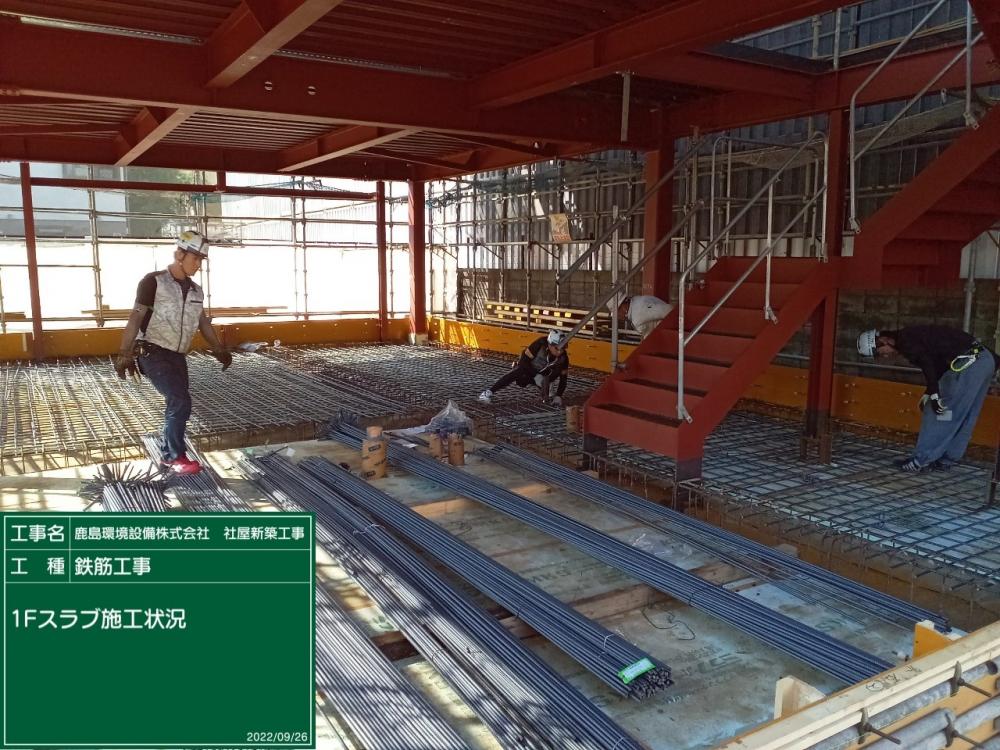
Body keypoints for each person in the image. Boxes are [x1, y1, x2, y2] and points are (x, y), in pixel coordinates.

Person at [115, 231, 233, 475]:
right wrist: (124, 353)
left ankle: (168, 451)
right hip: (152, 351)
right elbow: (136, 317)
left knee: (177, 401)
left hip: (177, 356)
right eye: (194, 258)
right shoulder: (153, 282)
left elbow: (202, 322)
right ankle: (173, 457)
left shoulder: (196, 291)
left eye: (201, 260)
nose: (198, 264)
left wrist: (218, 348)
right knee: (179, 400)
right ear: (179, 254)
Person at [858, 326, 999, 472]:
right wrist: (930, 391)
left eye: (879, 353)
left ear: (883, 340)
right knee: (964, 413)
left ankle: (921, 460)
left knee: (940, 412)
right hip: (984, 361)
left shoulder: (906, 341)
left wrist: (934, 395)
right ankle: (946, 459)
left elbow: (927, 364)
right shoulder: (912, 337)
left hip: (972, 364)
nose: (884, 357)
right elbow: (940, 366)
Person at [479, 329, 570, 406]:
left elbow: (563, 379)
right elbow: (523, 361)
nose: (560, 352)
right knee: (519, 371)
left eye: (562, 348)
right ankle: (487, 393)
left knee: (549, 397)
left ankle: (549, 390)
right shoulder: (540, 344)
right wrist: (536, 375)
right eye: (557, 348)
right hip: (529, 371)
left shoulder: (563, 358)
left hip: (545, 377)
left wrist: (559, 396)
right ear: (549, 344)